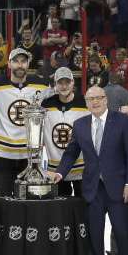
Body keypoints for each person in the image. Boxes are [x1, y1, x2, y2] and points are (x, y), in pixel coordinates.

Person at [48, 85, 128, 255]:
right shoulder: (80, 124)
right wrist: (60, 173)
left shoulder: (123, 121)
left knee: (123, 233)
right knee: (93, 234)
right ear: (86, 103)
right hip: (92, 189)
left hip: (120, 187)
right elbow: (71, 153)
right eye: (91, 99)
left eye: (99, 98)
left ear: (106, 100)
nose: (95, 102)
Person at [0, 48, 51, 197]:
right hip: (1, 154)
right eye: (15, 61)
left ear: (28, 64)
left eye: (23, 61)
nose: (19, 65)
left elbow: (63, 92)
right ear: (9, 64)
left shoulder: (43, 85)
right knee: (1, 201)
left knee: (29, 203)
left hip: (30, 157)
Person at [42, 67, 88, 196]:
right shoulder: (45, 105)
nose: (64, 86)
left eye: (67, 82)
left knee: (83, 211)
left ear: (73, 82)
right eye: (60, 82)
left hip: (81, 170)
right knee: (61, 213)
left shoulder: (85, 103)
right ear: (55, 84)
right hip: (55, 172)